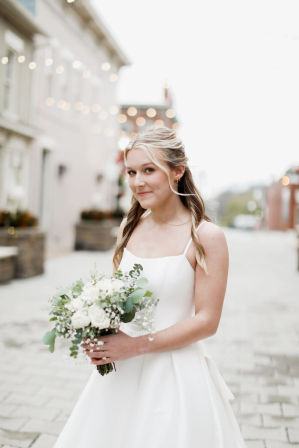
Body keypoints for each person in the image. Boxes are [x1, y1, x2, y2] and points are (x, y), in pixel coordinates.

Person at [53, 126, 247, 447]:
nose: (137, 181)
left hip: (174, 374)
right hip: (121, 375)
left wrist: (135, 346)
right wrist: (98, 331)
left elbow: (207, 321)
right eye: (131, 171)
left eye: (148, 170)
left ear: (177, 171)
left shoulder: (205, 236)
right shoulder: (129, 228)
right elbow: (118, 300)